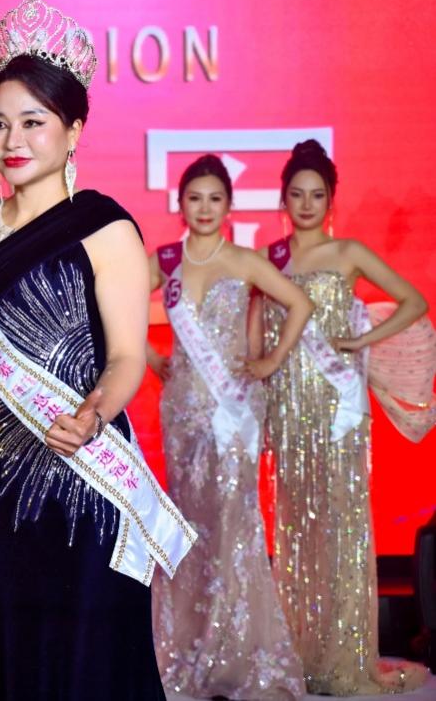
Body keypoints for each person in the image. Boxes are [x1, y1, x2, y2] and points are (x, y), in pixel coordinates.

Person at [0, 0, 196, 700]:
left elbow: (126, 357)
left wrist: (90, 415)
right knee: (19, 657)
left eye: (33, 122)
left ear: (73, 129)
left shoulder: (104, 226)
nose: (12, 140)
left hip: (84, 475)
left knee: (93, 661)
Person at [258, 139, 430, 694]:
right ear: (283, 199)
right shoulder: (269, 258)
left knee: (341, 529)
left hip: (337, 411)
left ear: (331, 200)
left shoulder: (349, 252)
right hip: (289, 409)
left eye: (317, 195)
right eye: (297, 194)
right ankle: (304, 653)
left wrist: (362, 340)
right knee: (296, 532)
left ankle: (344, 656)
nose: (307, 204)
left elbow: (414, 301)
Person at [147, 154, 309, 700]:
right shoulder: (166, 261)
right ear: (180, 204)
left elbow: (300, 304)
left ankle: (235, 654)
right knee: (191, 526)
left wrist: (269, 362)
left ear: (229, 205)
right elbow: (113, 304)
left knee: (234, 522)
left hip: (233, 409)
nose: (205, 208)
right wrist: (148, 356)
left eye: (215, 198)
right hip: (183, 410)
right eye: (194, 198)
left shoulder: (243, 260)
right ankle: (191, 651)